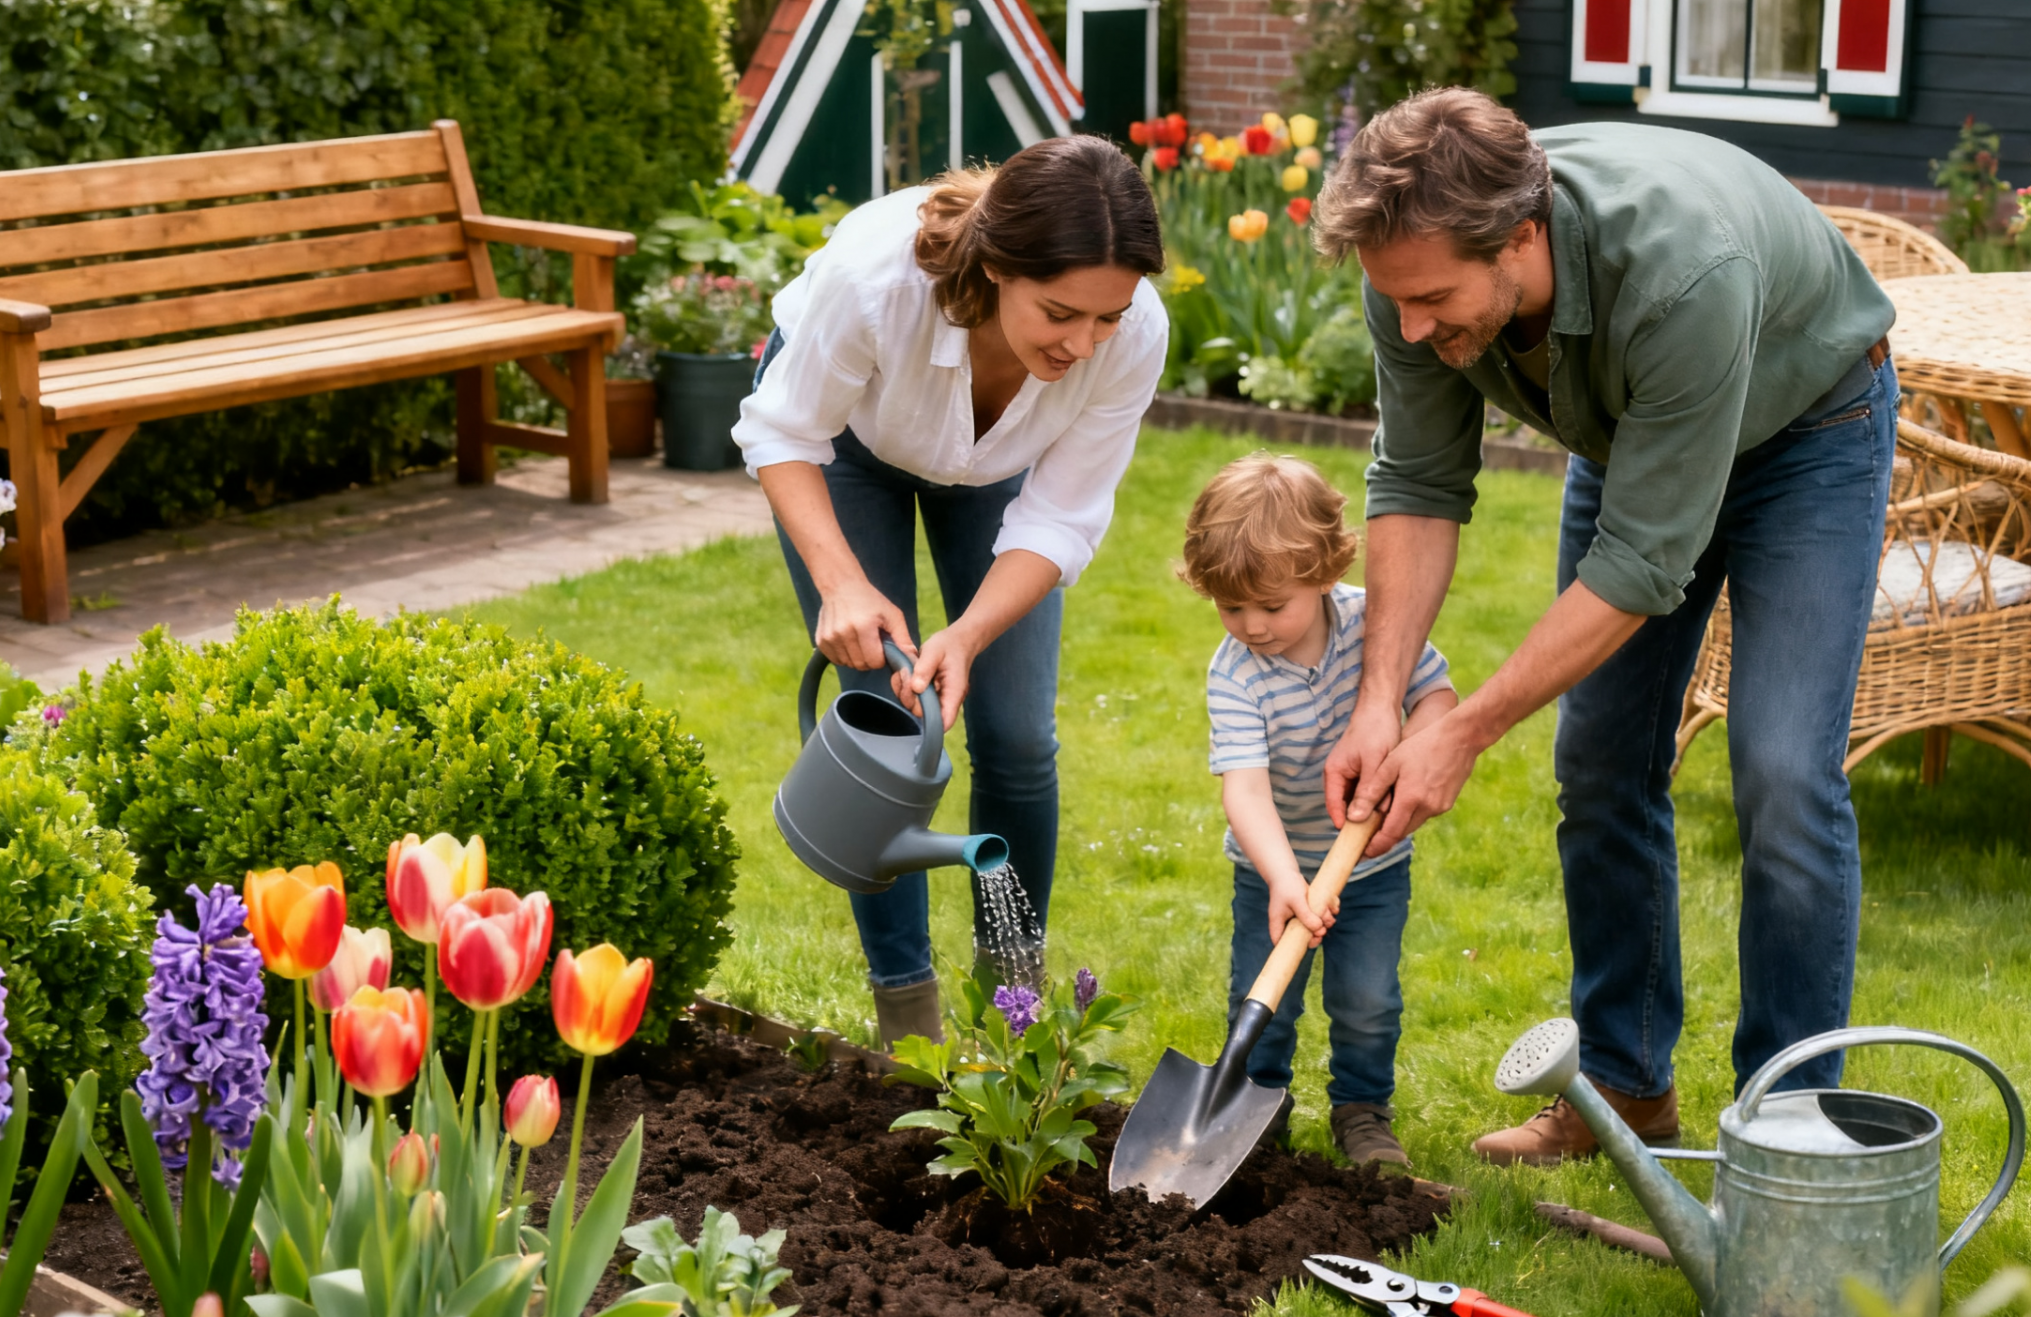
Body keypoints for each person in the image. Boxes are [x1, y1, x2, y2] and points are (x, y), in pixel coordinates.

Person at [1312, 88, 1899, 1164]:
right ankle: (1627, 1089)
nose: (1409, 324)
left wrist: (1465, 727)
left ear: (1519, 237)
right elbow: (1417, 482)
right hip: (1637, 428)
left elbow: (1639, 568)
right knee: (1599, 760)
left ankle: (1788, 1125)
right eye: (1395, 300)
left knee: (1780, 769)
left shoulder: (1680, 270)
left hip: (1808, 429)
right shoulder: (1410, 271)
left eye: (1434, 298)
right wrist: (1377, 701)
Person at [735, 136, 1168, 1047]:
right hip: (845, 449)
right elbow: (780, 431)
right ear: (999, 265)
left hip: (998, 467)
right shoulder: (873, 281)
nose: (1084, 343)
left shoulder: (1131, 335)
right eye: (1060, 312)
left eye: (1107, 318)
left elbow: (1061, 517)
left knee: (1015, 735)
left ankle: (1011, 1012)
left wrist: (967, 635)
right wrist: (842, 583)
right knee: (884, 725)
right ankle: (908, 1015)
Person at [1183, 454, 1457, 1167]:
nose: (1252, 625)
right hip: (1271, 875)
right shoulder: (1234, 672)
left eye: (1272, 605)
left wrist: (1411, 747)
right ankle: (1253, 1109)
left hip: (1370, 870)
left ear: (1326, 572)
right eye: (1230, 606)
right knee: (1261, 1001)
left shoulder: (1375, 626)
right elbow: (1244, 787)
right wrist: (1283, 879)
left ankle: (1363, 1111)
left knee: (1366, 1002)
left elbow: (1437, 698)